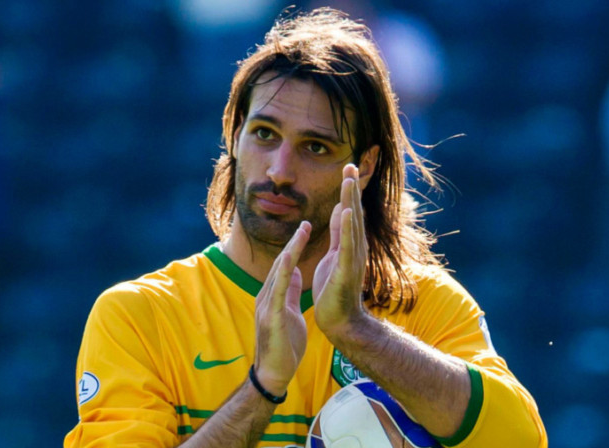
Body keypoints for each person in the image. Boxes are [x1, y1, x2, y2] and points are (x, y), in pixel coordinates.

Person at [64, 8, 546, 448]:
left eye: (315, 147)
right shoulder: (139, 317)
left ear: (368, 165)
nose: (279, 169)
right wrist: (262, 388)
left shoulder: (422, 305)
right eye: (264, 135)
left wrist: (359, 333)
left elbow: (521, 441)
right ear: (233, 134)